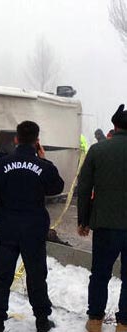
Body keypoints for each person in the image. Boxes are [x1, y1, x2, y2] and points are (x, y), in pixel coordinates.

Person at [0, 121, 64, 332]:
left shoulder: (2, 164)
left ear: (16, 139)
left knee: (2, 276)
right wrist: (44, 161)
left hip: (7, 227)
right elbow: (57, 187)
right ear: (37, 142)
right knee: (36, 276)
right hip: (33, 229)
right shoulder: (43, 167)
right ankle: (42, 320)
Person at [78, 104, 127, 332]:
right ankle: (124, 324)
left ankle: (95, 320)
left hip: (105, 225)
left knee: (100, 274)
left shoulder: (98, 150)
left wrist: (83, 220)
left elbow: (85, 188)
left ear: (114, 126)